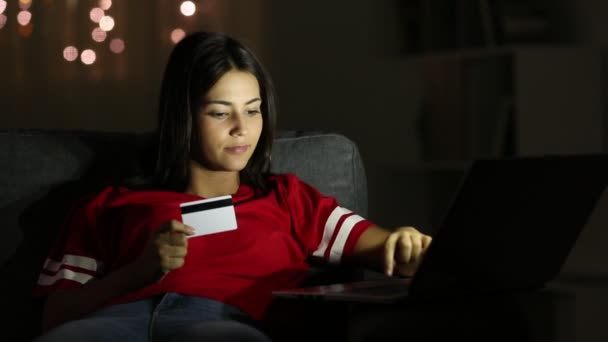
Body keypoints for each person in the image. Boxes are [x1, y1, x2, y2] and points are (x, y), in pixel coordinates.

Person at [32, 31, 432, 342]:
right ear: (183, 118)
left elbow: (390, 250)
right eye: (221, 112)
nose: (243, 128)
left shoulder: (287, 198)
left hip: (221, 322)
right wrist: (139, 271)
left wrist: (407, 244)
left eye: (254, 110)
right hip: (114, 323)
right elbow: (54, 316)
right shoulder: (109, 204)